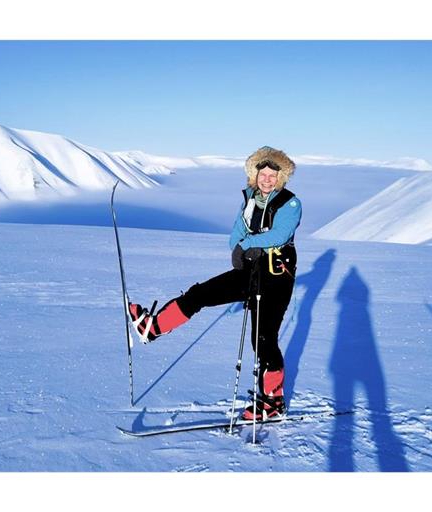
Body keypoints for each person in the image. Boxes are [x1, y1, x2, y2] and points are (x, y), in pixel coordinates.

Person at [128, 146, 302, 421]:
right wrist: (239, 249)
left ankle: (273, 402)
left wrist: (248, 245)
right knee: (201, 294)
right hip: (251, 270)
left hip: (276, 278)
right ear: (254, 175)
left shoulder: (290, 203)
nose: (267, 179)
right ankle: (153, 327)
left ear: (281, 177)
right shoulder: (250, 200)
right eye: (263, 173)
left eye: (273, 175)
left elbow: (280, 235)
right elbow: (237, 233)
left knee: (264, 340)